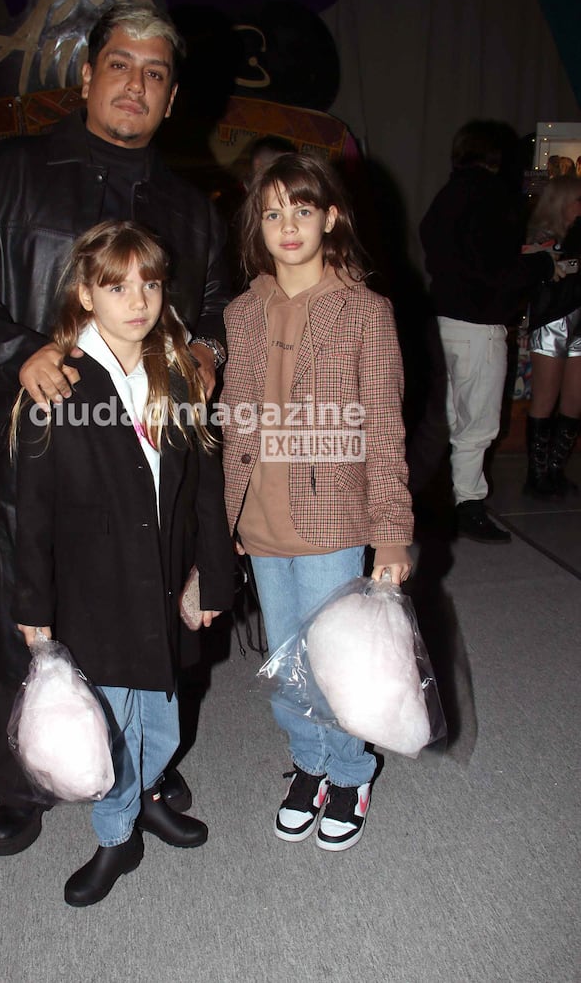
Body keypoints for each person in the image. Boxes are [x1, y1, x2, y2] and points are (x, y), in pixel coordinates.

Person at [0, 2, 231, 857]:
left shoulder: (191, 207)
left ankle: (146, 775)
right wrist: (17, 349)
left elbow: (211, 304)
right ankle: (21, 781)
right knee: (38, 626)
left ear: (172, 100)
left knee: (146, 619)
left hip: (144, 451)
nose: (136, 83)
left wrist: (205, 347)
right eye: (121, 65)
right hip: (39, 453)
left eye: (156, 73)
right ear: (87, 76)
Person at [12, 221, 235, 905]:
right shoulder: (60, 383)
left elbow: (203, 487)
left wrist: (211, 575)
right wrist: (33, 608)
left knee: (161, 719)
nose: (135, 299)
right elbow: (33, 510)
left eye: (149, 283)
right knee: (109, 726)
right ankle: (117, 833)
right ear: (85, 292)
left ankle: (147, 795)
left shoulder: (176, 375)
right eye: (116, 285)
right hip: (95, 594)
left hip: (165, 585)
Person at [221, 153, 414, 852]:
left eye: (301, 209)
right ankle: (307, 762)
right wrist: (228, 516)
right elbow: (234, 420)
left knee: (337, 662)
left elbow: (385, 431)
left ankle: (350, 771)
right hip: (262, 519)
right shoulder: (242, 312)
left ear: (330, 216)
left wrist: (391, 532)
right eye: (271, 213)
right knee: (285, 658)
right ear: (257, 226)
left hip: (333, 520)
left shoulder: (365, 312)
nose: (287, 225)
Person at [419, 120, 562, 543]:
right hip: (480, 326)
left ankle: (429, 502)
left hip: (440, 320)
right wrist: (542, 264)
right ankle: (468, 505)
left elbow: (446, 251)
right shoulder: (494, 197)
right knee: (477, 425)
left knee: (437, 421)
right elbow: (496, 272)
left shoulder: (447, 195)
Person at [523, 175, 581, 496]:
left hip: (578, 323)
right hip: (552, 322)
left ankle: (556, 468)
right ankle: (537, 473)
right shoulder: (542, 238)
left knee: (574, 399)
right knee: (545, 398)